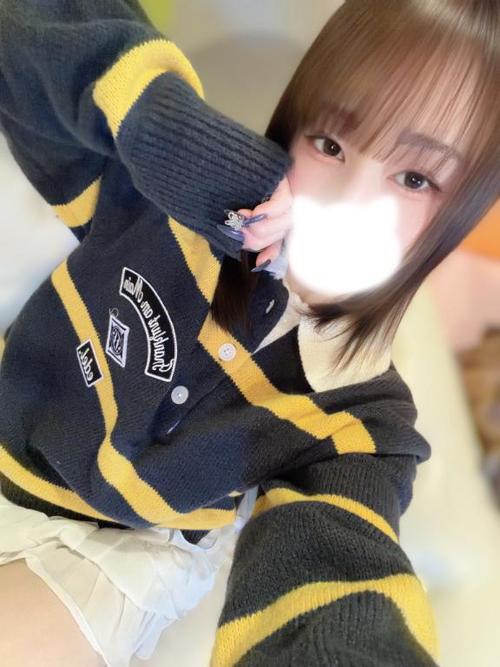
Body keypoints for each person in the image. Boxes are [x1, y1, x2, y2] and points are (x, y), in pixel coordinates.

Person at [0, 0, 498, 665]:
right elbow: (26, 32)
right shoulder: (159, 202)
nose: (348, 198)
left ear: (458, 216)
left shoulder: (362, 422)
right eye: (330, 143)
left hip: (119, 553)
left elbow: (337, 586)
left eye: (415, 178)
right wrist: (177, 145)